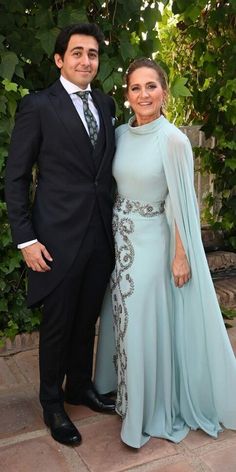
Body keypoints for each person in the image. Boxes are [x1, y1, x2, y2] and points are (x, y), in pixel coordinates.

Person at [94, 58, 236, 448]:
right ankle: (119, 391)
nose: (144, 95)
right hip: (118, 242)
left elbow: (181, 204)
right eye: (136, 88)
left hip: (154, 244)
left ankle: (144, 411)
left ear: (164, 91)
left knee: (141, 322)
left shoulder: (173, 140)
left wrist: (181, 254)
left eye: (151, 87)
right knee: (120, 316)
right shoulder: (120, 133)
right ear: (127, 95)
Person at [5, 23, 116, 446]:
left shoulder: (105, 104)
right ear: (59, 60)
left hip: (99, 237)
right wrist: (26, 239)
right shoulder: (38, 106)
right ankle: (52, 403)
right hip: (53, 240)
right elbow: (15, 177)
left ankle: (79, 386)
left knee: (86, 319)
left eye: (92, 54)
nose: (86, 60)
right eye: (77, 53)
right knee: (57, 324)